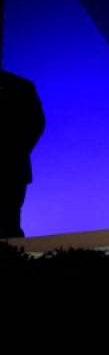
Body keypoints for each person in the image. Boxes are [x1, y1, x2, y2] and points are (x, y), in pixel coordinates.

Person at [1, 70, 44, 238]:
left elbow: (36, 124)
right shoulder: (22, 85)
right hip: (14, 166)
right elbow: (37, 124)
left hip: (12, 169)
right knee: (9, 222)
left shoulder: (21, 86)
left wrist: (16, 152)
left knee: (9, 223)